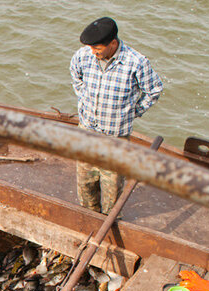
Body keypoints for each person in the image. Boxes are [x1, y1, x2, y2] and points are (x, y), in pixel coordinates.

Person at [70, 16, 163, 213]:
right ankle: (89, 216)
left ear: (113, 44)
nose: (93, 53)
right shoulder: (83, 56)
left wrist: (132, 112)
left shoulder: (136, 63)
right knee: (85, 183)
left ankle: (110, 220)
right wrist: (84, 99)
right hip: (87, 130)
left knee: (111, 187)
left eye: (98, 49)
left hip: (115, 136)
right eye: (91, 49)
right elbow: (75, 76)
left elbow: (154, 90)